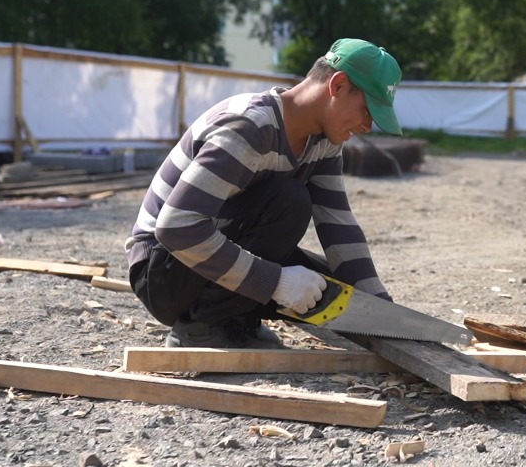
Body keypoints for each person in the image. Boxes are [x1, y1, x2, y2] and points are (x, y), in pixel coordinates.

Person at [124, 38, 402, 348]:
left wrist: (382, 308)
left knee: (332, 289)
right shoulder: (249, 127)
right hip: (164, 274)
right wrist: (276, 282)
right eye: (367, 110)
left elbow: (339, 227)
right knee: (289, 202)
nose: (367, 126)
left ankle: (235, 320)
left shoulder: (324, 141)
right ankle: (200, 326)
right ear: (337, 86)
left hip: (205, 256)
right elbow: (177, 227)